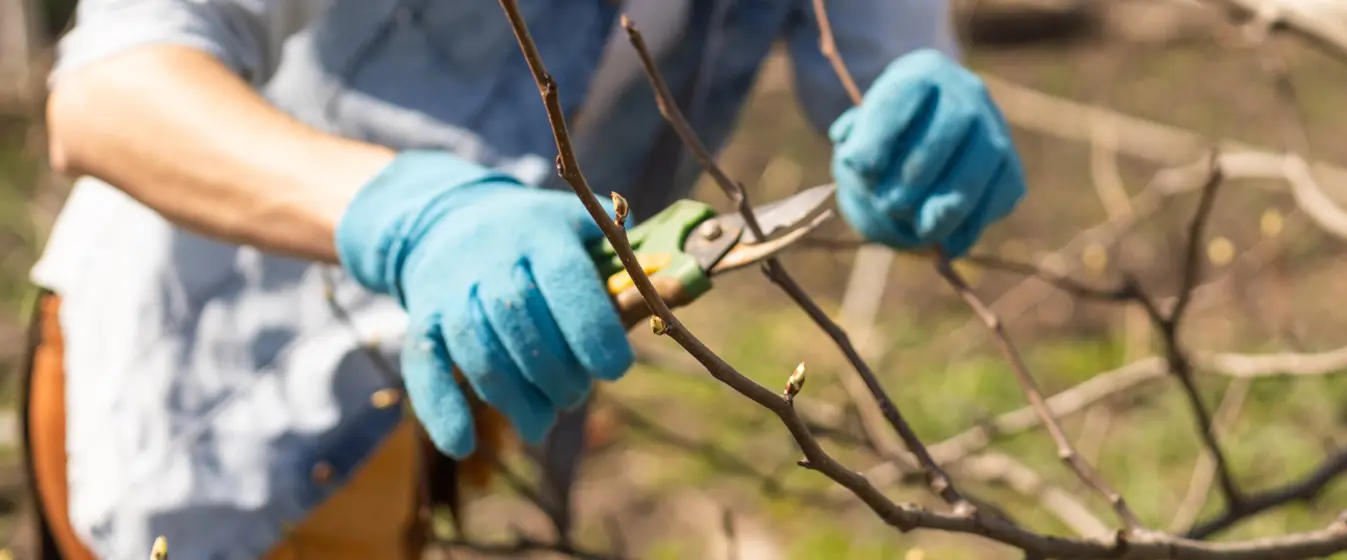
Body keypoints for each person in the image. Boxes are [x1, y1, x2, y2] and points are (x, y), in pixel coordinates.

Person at [22, 0, 1027, 558]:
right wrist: (413, 216)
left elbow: (883, 61)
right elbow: (112, 88)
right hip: (212, 386)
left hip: (459, 370)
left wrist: (919, 119)